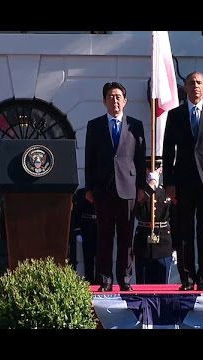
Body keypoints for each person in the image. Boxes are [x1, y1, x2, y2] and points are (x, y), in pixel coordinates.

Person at [162, 71, 203, 291]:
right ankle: (187, 278)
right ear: (186, 88)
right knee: (184, 233)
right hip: (182, 182)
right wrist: (169, 183)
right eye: (191, 83)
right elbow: (167, 151)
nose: (195, 86)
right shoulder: (175, 115)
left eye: (199, 82)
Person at [85, 81, 146, 292]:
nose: (115, 100)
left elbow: (139, 159)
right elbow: (89, 159)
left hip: (128, 188)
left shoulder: (135, 125)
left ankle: (125, 278)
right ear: (104, 101)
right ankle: (105, 279)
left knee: (126, 237)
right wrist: (89, 188)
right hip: (103, 189)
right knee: (104, 236)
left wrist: (141, 188)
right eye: (111, 96)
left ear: (125, 101)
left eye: (119, 96)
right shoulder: (94, 126)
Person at [134, 156, 175, 284]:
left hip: (163, 243)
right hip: (143, 244)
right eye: (149, 169)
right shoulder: (140, 191)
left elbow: (174, 218)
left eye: (156, 169)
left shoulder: (166, 191)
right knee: (143, 285)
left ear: (161, 170)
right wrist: (149, 187)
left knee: (162, 286)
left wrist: (175, 247)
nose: (152, 172)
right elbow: (136, 208)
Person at [69, 187, 97, 284]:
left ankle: (99, 281)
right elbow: (76, 214)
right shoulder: (81, 193)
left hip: (99, 226)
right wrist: (78, 231)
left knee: (101, 258)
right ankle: (89, 280)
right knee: (88, 257)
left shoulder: (103, 191)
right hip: (87, 226)